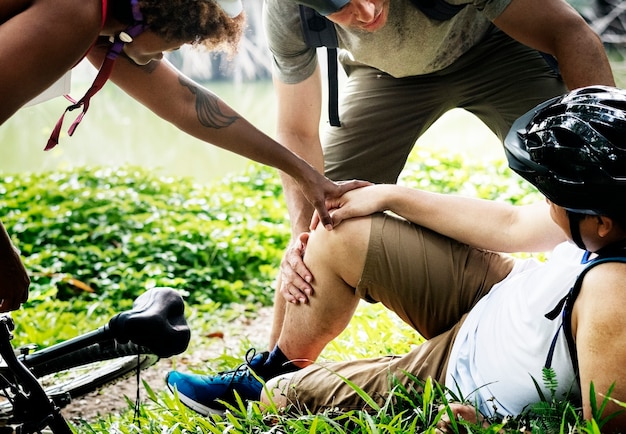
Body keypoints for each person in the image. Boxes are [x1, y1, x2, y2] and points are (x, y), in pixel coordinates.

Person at [166, 85, 626, 431]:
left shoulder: (614, 293)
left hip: (461, 367)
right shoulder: (608, 218)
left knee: (278, 399)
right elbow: (510, 226)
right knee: (339, 232)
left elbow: (601, 426)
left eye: (552, 196)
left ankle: (297, 381)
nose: (547, 204)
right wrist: (388, 196)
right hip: (501, 292)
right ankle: (281, 360)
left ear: (600, 222)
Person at [0, 0, 369, 312]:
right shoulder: (78, 15)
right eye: (184, 39)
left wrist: (306, 175)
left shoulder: (103, 24)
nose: (168, 53)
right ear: (170, 11)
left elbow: (187, 105)